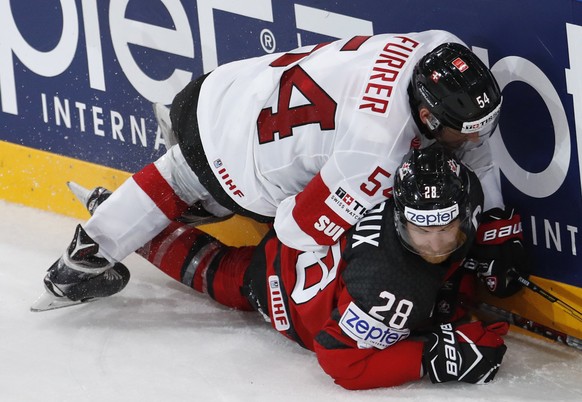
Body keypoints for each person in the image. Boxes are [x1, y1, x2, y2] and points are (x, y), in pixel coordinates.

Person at [38, 30, 526, 310]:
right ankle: (134, 230)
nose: (475, 139)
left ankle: (84, 256)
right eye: (462, 131)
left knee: (177, 171)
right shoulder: (375, 157)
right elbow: (296, 229)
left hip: (227, 89)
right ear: (425, 117)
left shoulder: (439, 51)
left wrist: (494, 229)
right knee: (198, 191)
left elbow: (471, 144)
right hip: (240, 165)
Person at [41, 146, 511, 389]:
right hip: (282, 299)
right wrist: (428, 356)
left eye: (444, 229)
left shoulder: (386, 185)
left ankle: (120, 213)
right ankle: (117, 216)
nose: (433, 243)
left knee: (226, 265)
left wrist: (486, 256)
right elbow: (342, 362)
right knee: (223, 273)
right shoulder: (392, 287)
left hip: (301, 240)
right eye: (420, 231)